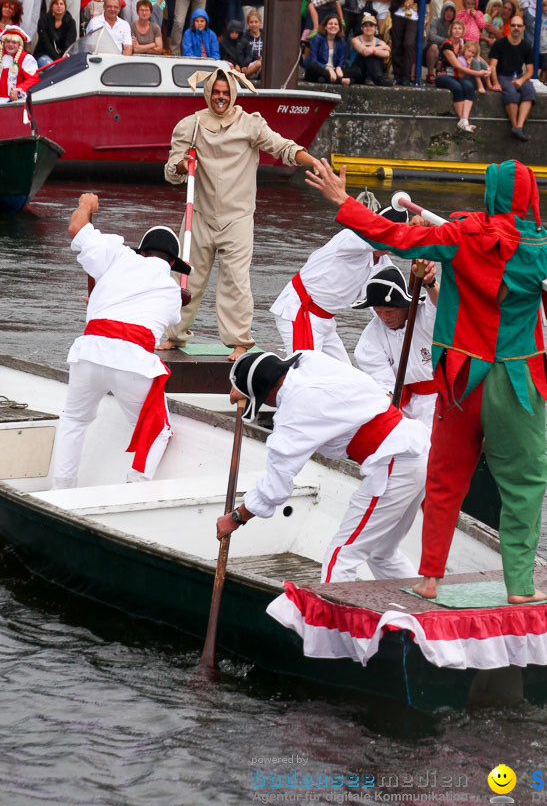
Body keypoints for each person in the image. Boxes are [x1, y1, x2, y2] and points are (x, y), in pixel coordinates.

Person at [306, 157, 547, 604]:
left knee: (444, 480)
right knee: (523, 484)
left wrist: (343, 201)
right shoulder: (544, 248)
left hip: (461, 379)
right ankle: (520, 587)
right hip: (518, 380)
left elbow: (396, 236)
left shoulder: (458, 236)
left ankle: (430, 578)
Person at [216, 350, 429, 584]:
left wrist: (236, 518)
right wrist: (245, 386)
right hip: (418, 448)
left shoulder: (293, 414)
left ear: (264, 394)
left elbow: (275, 488)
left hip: (394, 461)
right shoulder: (313, 362)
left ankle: (332, 620)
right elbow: (295, 355)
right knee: (381, 553)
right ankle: (423, 615)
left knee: (341, 558)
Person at [161, 67, 319, 362]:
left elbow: (282, 147)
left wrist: (312, 162)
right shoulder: (190, 126)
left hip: (238, 218)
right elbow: (172, 172)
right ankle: (173, 334)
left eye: (225, 93)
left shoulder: (250, 124)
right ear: (208, 93)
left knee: (235, 281)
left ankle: (239, 342)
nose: (220, 98)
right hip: (199, 215)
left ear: (233, 94)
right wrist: (182, 166)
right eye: (215, 93)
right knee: (184, 278)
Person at [50, 193, 186, 490]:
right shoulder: (172, 290)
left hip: (88, 353)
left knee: (74, 420)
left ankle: (61, 490)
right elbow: (172, 318)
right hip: (131, 362)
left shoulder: (117, 254)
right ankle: (133, 488)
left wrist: (86, 205)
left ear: (142, 251)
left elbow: (76, 228)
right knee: (158, 430)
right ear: (173, 262)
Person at [270, 207, 399, 362]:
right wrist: (409, 229)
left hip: (326, 321)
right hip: (302, 311)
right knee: (305, 376)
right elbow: (374, 240)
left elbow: (392, 298)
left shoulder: (384, 265)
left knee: (344, 378)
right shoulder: (350, 237)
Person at [354, 264, 439, 430]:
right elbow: (383, 382)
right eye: (378, 311)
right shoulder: (371, 337)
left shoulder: (425, 315)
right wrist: (392, 410)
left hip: (442, 398)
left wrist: (430, 282)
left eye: (390, 311)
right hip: (404, 402)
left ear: (404, 305)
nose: (384, 317)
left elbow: (442, 306)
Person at [435, 19, 490, 131]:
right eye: (454, 28)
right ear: (451, 30)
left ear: (463, 31)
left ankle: (465, 120)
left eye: (459, 28)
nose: (457, 31)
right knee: (457, 87)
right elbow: (458, 66)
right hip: (443, 75)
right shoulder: (447, 45)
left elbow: (477, 56)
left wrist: (488, 68)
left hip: (458, 76)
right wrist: (478, 73)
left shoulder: (463, 43)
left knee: (469, 87)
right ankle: (463, 120)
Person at [488, 15, 536, 141]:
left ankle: (518, 127)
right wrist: (496, 82)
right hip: (503, 75)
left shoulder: (526, 47)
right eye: (513, 25)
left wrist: (521, 80)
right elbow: (492, 66)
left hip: (519, 76)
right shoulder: (499, 44)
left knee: (530, 92)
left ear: (523, 28)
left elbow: (530, 71)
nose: (516, 28)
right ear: (509, 27)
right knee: (511, 95)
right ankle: (515, 126)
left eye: (519, 26)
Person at [389, 0, 427, 85]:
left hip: (415, 14)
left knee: (409, 43)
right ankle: (397, 75)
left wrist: (414, 0)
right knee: (397, 43)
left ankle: (406, 76)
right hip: (399, 11)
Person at [303, 13, 350, 84]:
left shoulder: (341, 41)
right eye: (330, 24)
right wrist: (328, 68)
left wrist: (339, 67)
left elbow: (342, 59)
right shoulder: (317, 38)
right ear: (325, 26)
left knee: (357, 72)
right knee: (311, 66)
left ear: (339, 27)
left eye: (336, 24)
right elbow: (313, 60)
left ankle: (326, 79)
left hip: (334, 71)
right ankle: (339, 81)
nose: (333, 26)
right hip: (319, 69)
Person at [347, 12, 391, 85]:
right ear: (362, 28)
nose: (368, 28)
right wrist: (378, 48)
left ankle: (374, 77)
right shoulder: (355, 40)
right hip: (358, 71)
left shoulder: (379, 41)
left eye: (371, 26)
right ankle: (379, 79)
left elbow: (387, 53)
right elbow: (364, 52)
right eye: (365, 26)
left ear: (375, 28)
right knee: (369, 54)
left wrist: (373, 50)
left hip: (372, 71)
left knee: (373, 54)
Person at [34, 0, 77, 67]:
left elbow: (69, 43)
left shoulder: (71, 22)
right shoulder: (43, 21)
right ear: (51, 7)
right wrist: (57, 60)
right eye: (56, 4)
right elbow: (45, 43)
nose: (59, 6)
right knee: (54, 68)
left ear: (65, 7)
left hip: (64, 56)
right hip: (44, 54)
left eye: (61, 4)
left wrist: (62, 58)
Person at [0, 25, 38, 101]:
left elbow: (33, 79)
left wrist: (18, 90)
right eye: (8, 41)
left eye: (14, 42)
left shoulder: (26, 59)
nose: (10, 44)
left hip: (13, 102)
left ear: (19, 44)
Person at [423, 0, 456, 84]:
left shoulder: (455, 25)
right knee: (434, 47)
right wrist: (447, 40)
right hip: (431, 50)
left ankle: (445, 74)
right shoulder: (435, 20)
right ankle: (430, 74)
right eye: (447, 10)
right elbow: (432, 36)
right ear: (443, 11)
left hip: (447, 52)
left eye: (451, 11)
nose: (449, 13)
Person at [235, 10, 264, 80]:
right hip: (249, 66)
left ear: (260, 22)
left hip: (263, 65)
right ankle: (243, 77)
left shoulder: (265, 35)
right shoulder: (244, 37)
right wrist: (243, 65)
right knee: (258, 63)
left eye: (256, 22)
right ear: (248, 23)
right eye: (251, 22)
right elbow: (240, 54)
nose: (254, 24)